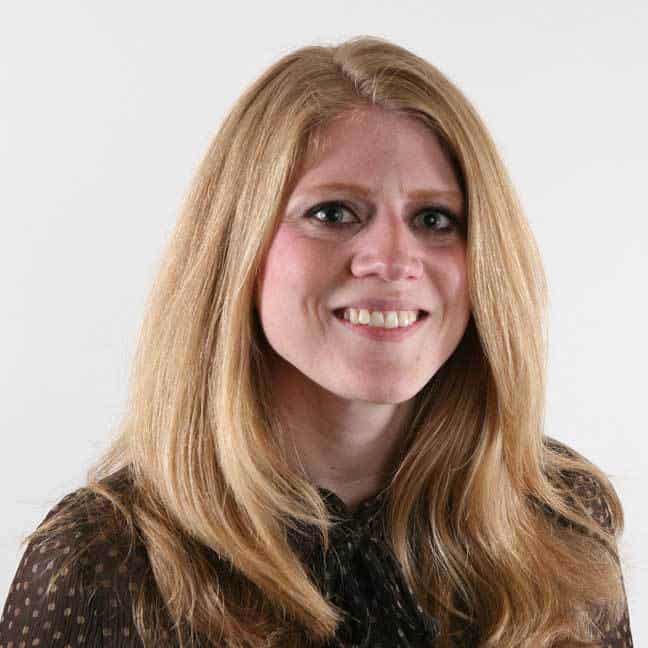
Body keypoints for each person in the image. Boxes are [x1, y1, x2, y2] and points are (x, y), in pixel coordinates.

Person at [0, 36, 634, 648]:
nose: (393, 260)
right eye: (333, 213)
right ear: (236, 249)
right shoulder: (98, 562)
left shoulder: (562, 517)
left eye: (434, 219)